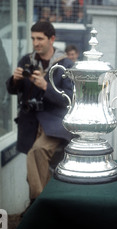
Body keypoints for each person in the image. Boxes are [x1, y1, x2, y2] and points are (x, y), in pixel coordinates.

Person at [6, 21, 74, 203]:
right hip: (30, 121)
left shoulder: (65, 64)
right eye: (33, 38)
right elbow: (13, 90)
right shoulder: (27, 60)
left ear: (52, 39)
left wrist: (46, 86)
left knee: (38, 151)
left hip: (55, 122)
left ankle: (38, 204)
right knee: (34, 170)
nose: (35, 43)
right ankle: (44, 207)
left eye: (40, 39)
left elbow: (70, 98)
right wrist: (15, 80)